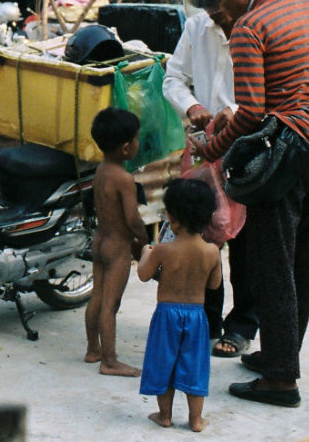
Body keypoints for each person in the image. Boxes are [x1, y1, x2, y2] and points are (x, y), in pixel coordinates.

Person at [194, 0, 309, 409]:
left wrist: (212, 149)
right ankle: (282, 357)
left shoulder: (250, 28)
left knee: (272, 264)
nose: (220, 10)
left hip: (287, 155)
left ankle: (281, 381)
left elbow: (255, 113)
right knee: (304, 262)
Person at [163, 0, 257, 359]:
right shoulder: (197, 26)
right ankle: (207, 319)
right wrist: (192, 108)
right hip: (203, 149)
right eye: (209, 5)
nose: (215, 13)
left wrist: (231, 113)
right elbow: (173, 77)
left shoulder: (260, 27)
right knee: (203, 235)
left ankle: (241, 327)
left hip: (247, 146)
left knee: (247, 243)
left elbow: (268, 95)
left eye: (219, 3)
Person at [137, 178, 223, 432]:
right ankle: (195, 420)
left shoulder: (163, 250)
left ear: (172, 218)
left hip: (166, 315)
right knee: (194, 366)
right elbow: (214, 285)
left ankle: (164, 415)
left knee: (164, 363)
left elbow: (144, 274)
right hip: (196, 317)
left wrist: (145, 253)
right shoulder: (211, 251)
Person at [83, 106, 149, 376]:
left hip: (99, 240)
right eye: (136, 139)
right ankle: (109, 361)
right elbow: (132, 218)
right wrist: (144, 239)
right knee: (111, 304)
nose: (137, 144)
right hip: (117, 246)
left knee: (96, 296)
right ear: (125, 148)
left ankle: (92, 348)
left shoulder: (102, 169)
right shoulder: (124, 178)